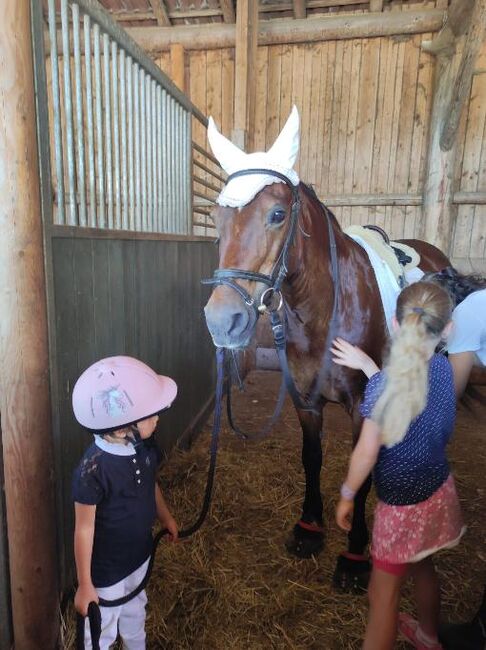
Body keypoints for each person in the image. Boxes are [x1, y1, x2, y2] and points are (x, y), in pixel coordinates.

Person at [334, 281, 465, 650]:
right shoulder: (443, 369)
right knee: (424, 565)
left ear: (394, 323)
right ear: (448, 329)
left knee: (382, 597)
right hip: (438, 493)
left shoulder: (382, 390)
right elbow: (406, 391)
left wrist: (346, 495)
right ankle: (428, 634)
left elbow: (365, 453)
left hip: (401, 510)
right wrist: (370, 367)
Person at [71, 355, 179, 650]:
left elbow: (150, 486)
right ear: (121, 429)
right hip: (106, 570)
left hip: (139, 556)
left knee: (135, 612)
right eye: (149, 415)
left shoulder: (144, 449)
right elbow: (83, 529)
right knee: (102, 628)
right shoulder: (92, 471)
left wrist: (166, 517)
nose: (157, 419)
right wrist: (84, 584)